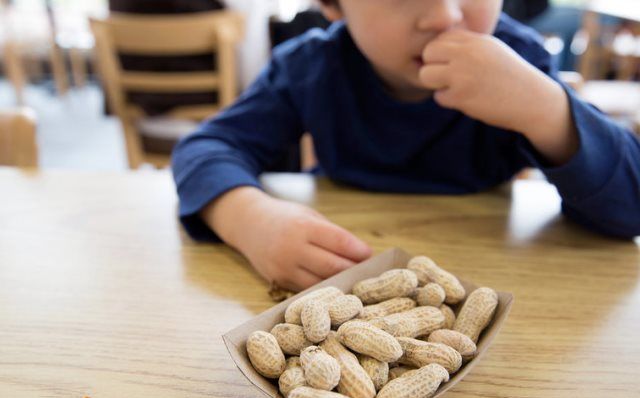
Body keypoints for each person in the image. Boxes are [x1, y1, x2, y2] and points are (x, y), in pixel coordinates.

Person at [172, 0, 640, 292]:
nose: (444, 14)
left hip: (499, 287)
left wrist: (548, 113)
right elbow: (206, 147)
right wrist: (251, 219)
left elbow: (628, 208)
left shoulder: (524, 64)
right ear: (333, 4)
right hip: (341, 276)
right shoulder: (308, 67)